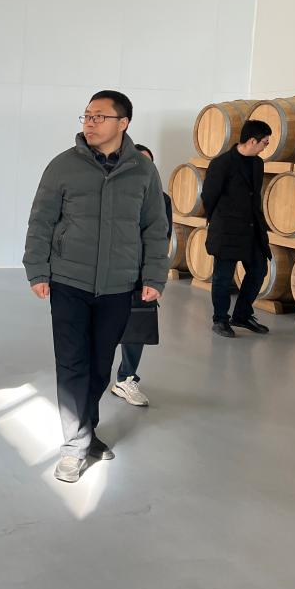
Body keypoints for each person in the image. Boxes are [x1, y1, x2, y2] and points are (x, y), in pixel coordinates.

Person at [23, 91, 169, 483]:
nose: (89, 122)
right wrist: (37, 270)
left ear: (123, 123)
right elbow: (41, 221)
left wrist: (154, 276)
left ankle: (86, 430)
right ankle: (74, 447)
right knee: (73, 363)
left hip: (119, 285)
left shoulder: (143, 170)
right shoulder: (63, 166)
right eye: (87, 116)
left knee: (100, 365)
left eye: (99, 116)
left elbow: (155, 227)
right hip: (68, 280)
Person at [111, 143, 172, 408]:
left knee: (136, 328)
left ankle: (126, 378)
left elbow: (161, 239)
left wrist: (154, 277)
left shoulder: (163, 200)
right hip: (110, 271)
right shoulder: (111, 194)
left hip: (140, 273)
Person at [201, 119, 273, 338]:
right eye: (265, 142)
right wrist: (219, 220)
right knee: (223, 277)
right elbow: (209, 196)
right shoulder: (222, 163)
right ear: (252, 141)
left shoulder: (257, 164)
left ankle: (242, 315)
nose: (266, 146)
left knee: (259, 270)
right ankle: (220, 320)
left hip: (252, 228)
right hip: (228, 229)